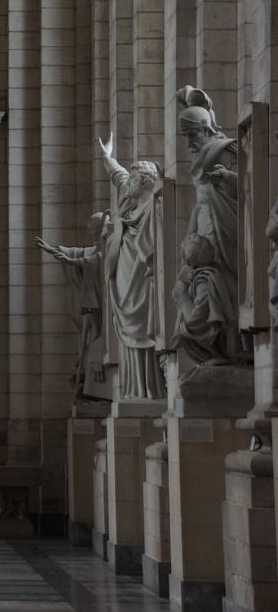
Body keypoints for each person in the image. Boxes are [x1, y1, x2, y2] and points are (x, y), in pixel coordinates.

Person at [97, 132, 165, 401]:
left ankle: (149, 390)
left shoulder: (154, 208)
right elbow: (119, 176)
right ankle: (132, 390)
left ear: (146, 182)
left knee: (143, 335)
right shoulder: (131, 202)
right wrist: (107, 156)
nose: (130, 182)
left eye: (135, 178)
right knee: (127, 338)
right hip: (123, 284)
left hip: (142, 284)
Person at [175, 86, 238, 345]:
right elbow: (199, 203)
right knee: (200, 284)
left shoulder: (225, 150)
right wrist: (190, 235)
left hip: (226, 228)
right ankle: (221, 343)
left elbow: (250, 185)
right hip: (205, 231)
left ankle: (229, 342)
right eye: (185, 136)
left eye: (192, 135)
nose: (189, 142)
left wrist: (227, 177)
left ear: (206, 128)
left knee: (222, 285)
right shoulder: (201, 156)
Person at [35, 210, 109, 400]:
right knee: (87, 339)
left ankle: (92, 380)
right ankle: (85, 379)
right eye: (91, 232)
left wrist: (68, 259)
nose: (93, 236)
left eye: (96, 231)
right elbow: (80, 253)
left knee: (95, 337)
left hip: (101, 308)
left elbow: (89, 260)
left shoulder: (106, 252)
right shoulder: (96, 251)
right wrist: (55, 250)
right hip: (92, 306)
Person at [172, 232, 237, 363]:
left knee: (183, 333)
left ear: (190, 262)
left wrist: (182, 293)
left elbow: (197, 324)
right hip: (226, 333)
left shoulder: (204, 279)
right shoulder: (215, 271)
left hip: (228, 338)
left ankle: (218, 356)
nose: (183, 263)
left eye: (184, 259)